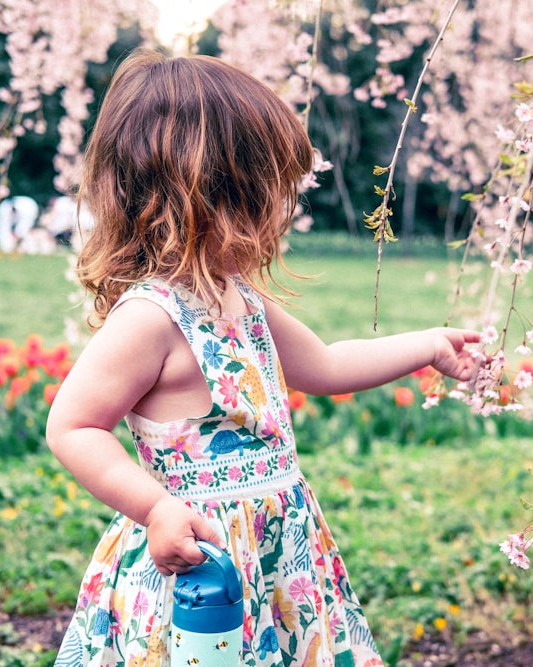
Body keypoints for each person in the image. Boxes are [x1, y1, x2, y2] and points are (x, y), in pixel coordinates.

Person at [45, 49, 480, 667]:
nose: (287, 211)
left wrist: (429, 346)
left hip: (280, 560)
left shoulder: (240, 299)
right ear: (210, 196)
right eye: (275, 193)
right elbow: (73, 425)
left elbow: (325, 364)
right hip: (201, 561)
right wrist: (156, 508)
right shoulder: (150, 319)